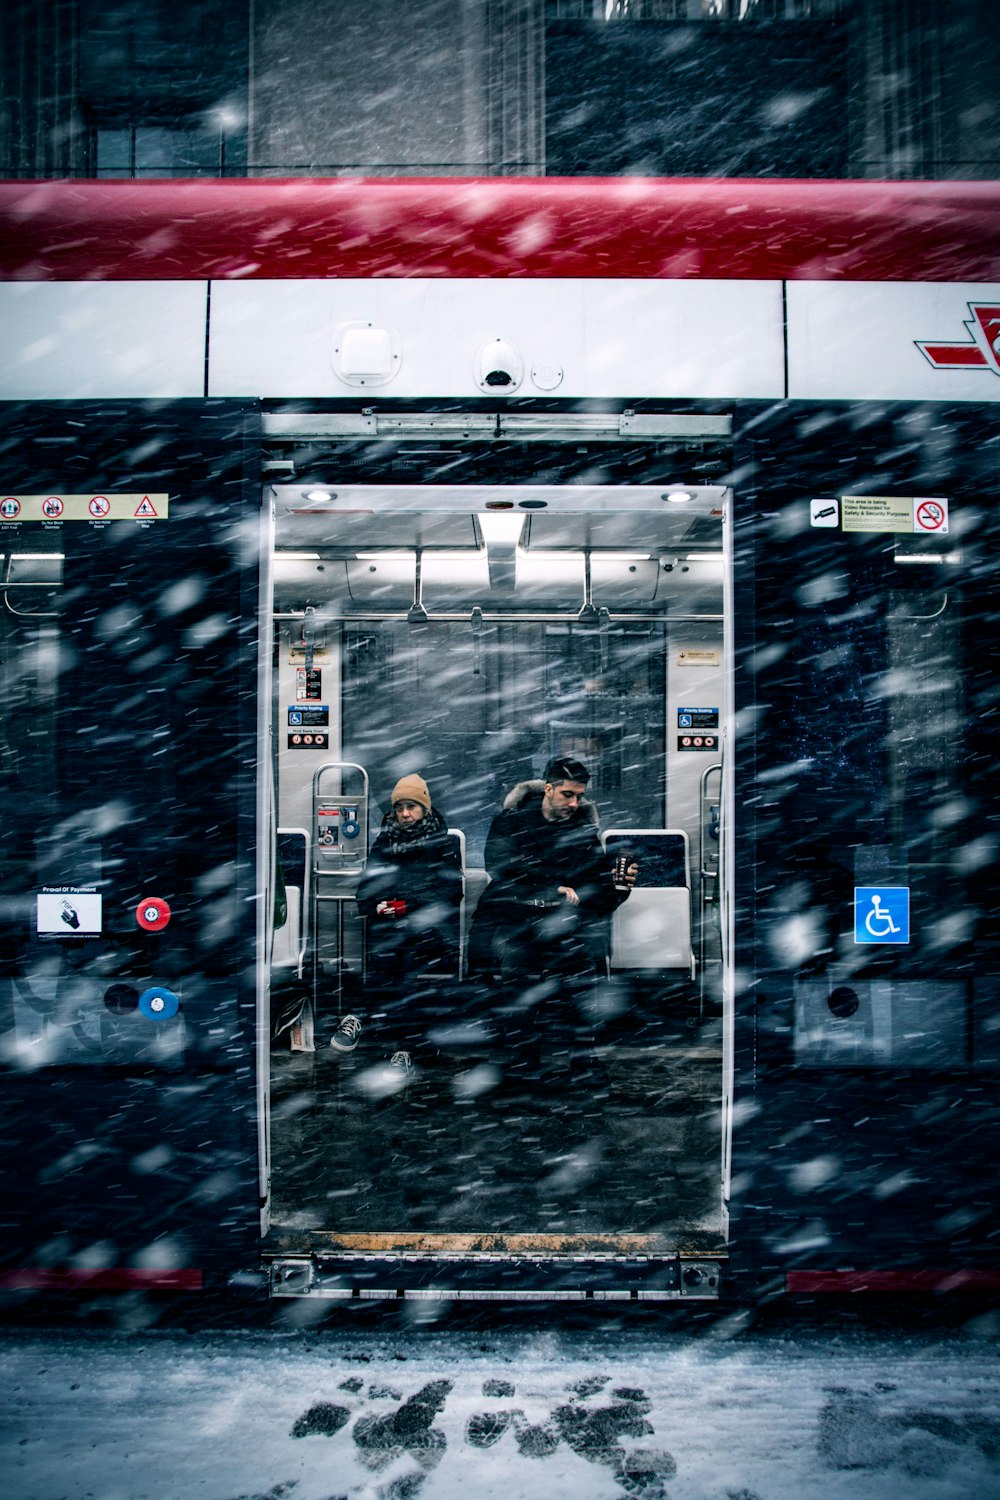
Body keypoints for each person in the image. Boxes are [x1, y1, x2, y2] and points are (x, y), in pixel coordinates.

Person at [471, 756, 636, 1078]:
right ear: (548, 789)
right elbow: (502, 869)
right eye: (567, 795)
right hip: (515, 919)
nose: (574, 803)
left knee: (582, 972)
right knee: (517, 968)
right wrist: (551, 890)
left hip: (562, 924)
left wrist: (620, 886)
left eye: (579, 796)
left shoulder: (582, 830)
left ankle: (583, 1054)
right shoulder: (512, 820)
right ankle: (523, 1055)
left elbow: (596, 886)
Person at [331, 773, 463, 1076]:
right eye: (400, 807)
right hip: (392, 929)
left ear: (425, 810)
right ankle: (402, 1047)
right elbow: (365, 894)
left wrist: (403, 905)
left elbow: (450, 892)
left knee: (402, 962)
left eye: (412, 807)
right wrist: (385, 906)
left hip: (430, 930)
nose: (405, 814)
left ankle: (365, 1020)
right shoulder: (384, 842)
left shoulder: (442, 844)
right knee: (394, 957)